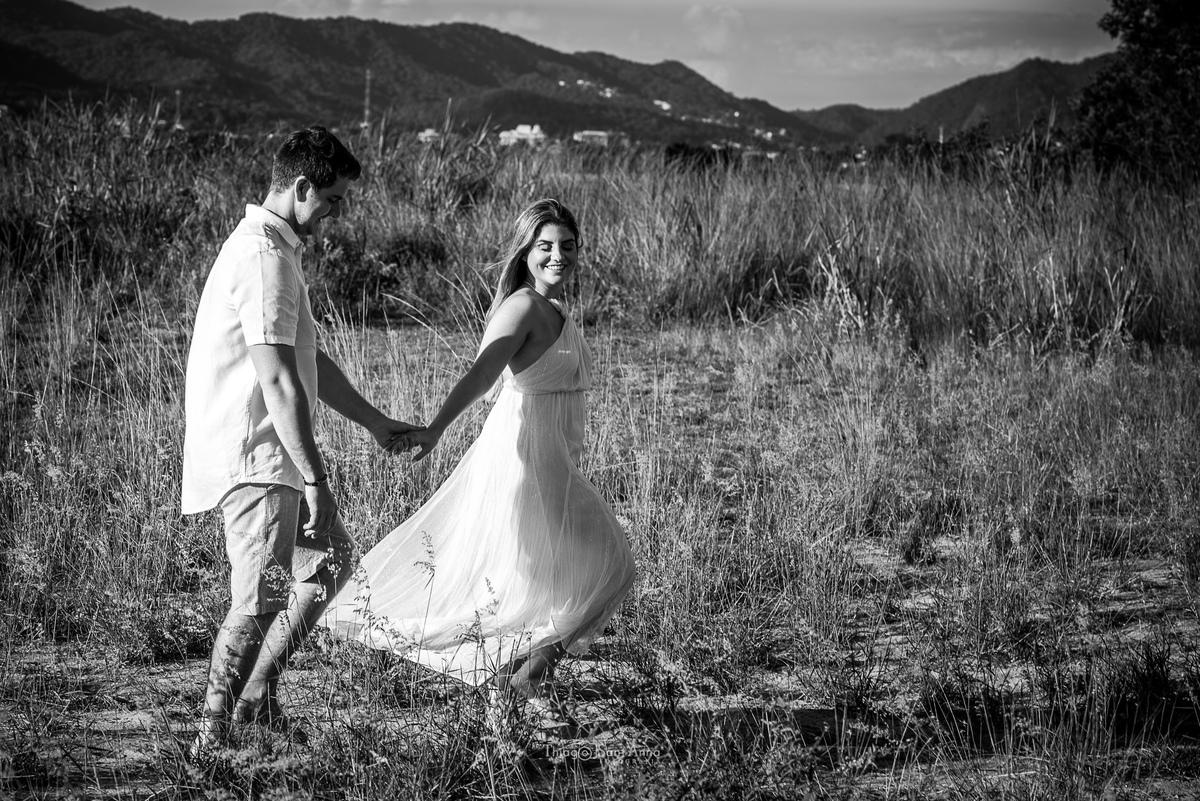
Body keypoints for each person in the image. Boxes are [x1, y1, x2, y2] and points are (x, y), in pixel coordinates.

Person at [322, 198, 636, 703]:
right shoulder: (521, 306)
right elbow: (483, 372)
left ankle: (512, 698)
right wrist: (437, 428)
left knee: (546, 577)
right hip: (523, 458)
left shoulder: (554, 309)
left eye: (568, 246)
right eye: (546, 247)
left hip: (552, 456)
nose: (559, 256)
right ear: (525, 252)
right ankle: (523, 683)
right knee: (599, 563)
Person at [181, 126, 417, 758]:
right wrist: (315, 478)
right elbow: (277, 376)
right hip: (255, 453)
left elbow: (307, 358)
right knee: (257, 601)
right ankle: (208, 740)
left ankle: (257, 693)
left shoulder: (277, 249)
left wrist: (372, 420)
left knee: (333, 562)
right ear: (302, 185)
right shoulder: (262, 255)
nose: (336, 212)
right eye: (333, 199)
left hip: (273, 452)